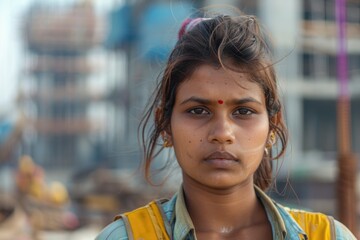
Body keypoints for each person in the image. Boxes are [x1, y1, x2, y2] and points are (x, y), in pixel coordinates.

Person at [96, 12, 356, 240]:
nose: (222, 133)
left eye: (244, 111)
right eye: (197, 111)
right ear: (165, 125)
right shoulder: (126, 237)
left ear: (272, 127)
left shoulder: (327, 236)